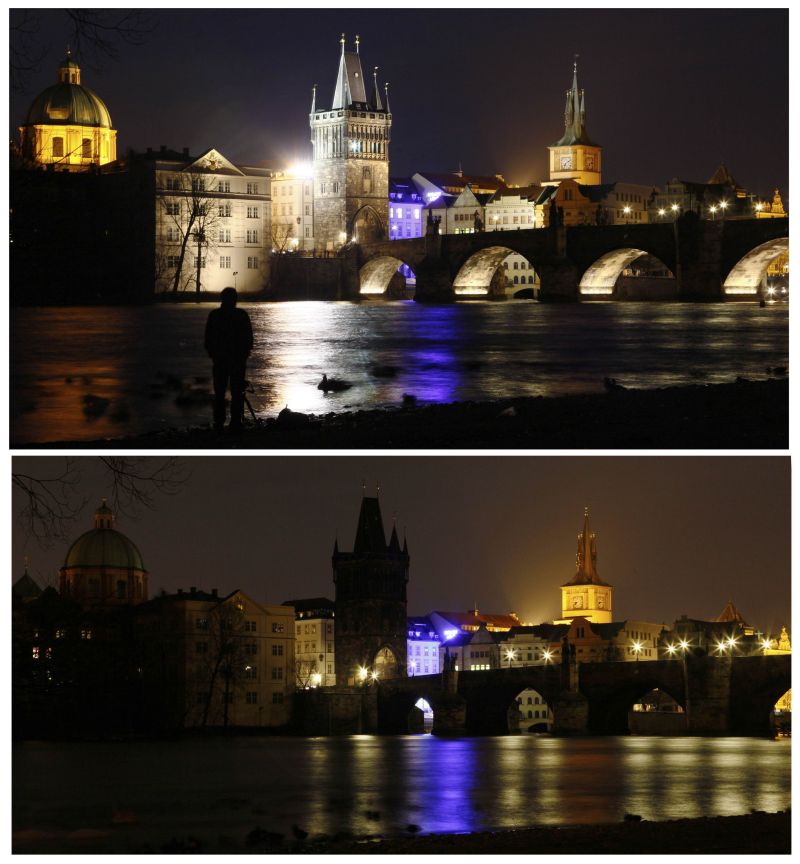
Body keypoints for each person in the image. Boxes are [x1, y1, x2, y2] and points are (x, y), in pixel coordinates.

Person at [204, 287, 253, 432]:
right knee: (237, 392)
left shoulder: (215, 315)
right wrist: (244, 355)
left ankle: (219, 422)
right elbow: (248, 339)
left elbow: (208, 338)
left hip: (220, 360)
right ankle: (236, 422)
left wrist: (213, 354)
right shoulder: (241, 315)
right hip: (237, 360)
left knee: (219, 392)